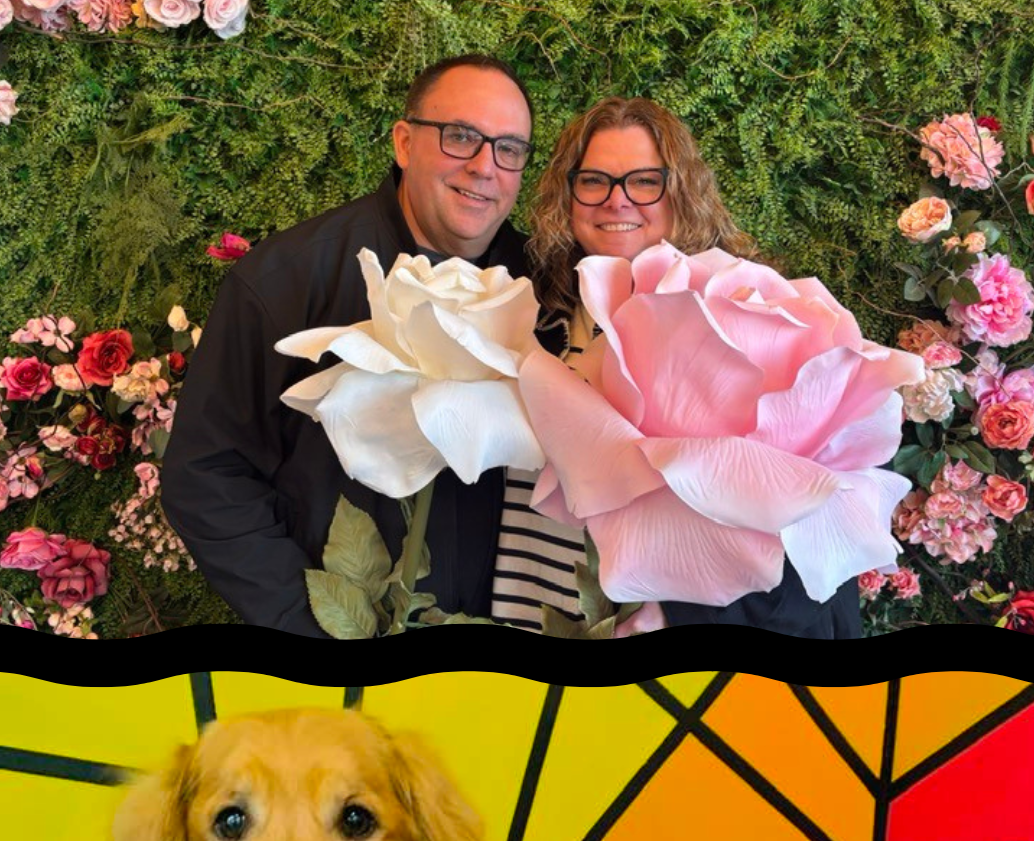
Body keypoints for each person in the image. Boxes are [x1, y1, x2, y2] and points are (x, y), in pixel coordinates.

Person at [162, 55, 546, 637]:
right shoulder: (287, 278)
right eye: (461, 137)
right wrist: (311, 627)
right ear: (404, 142)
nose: (484, 167)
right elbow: (207, 473)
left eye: (509, 149)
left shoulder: (546, 290)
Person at [495, 96, 862, 638]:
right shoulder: (534, 312)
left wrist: (680, 613)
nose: (616, 201)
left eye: (644, 181)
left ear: (680, 191)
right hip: (529, 603)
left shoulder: (741, 313)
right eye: (594, 180)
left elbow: (799, 504)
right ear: (567, 194)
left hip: (659, 626)